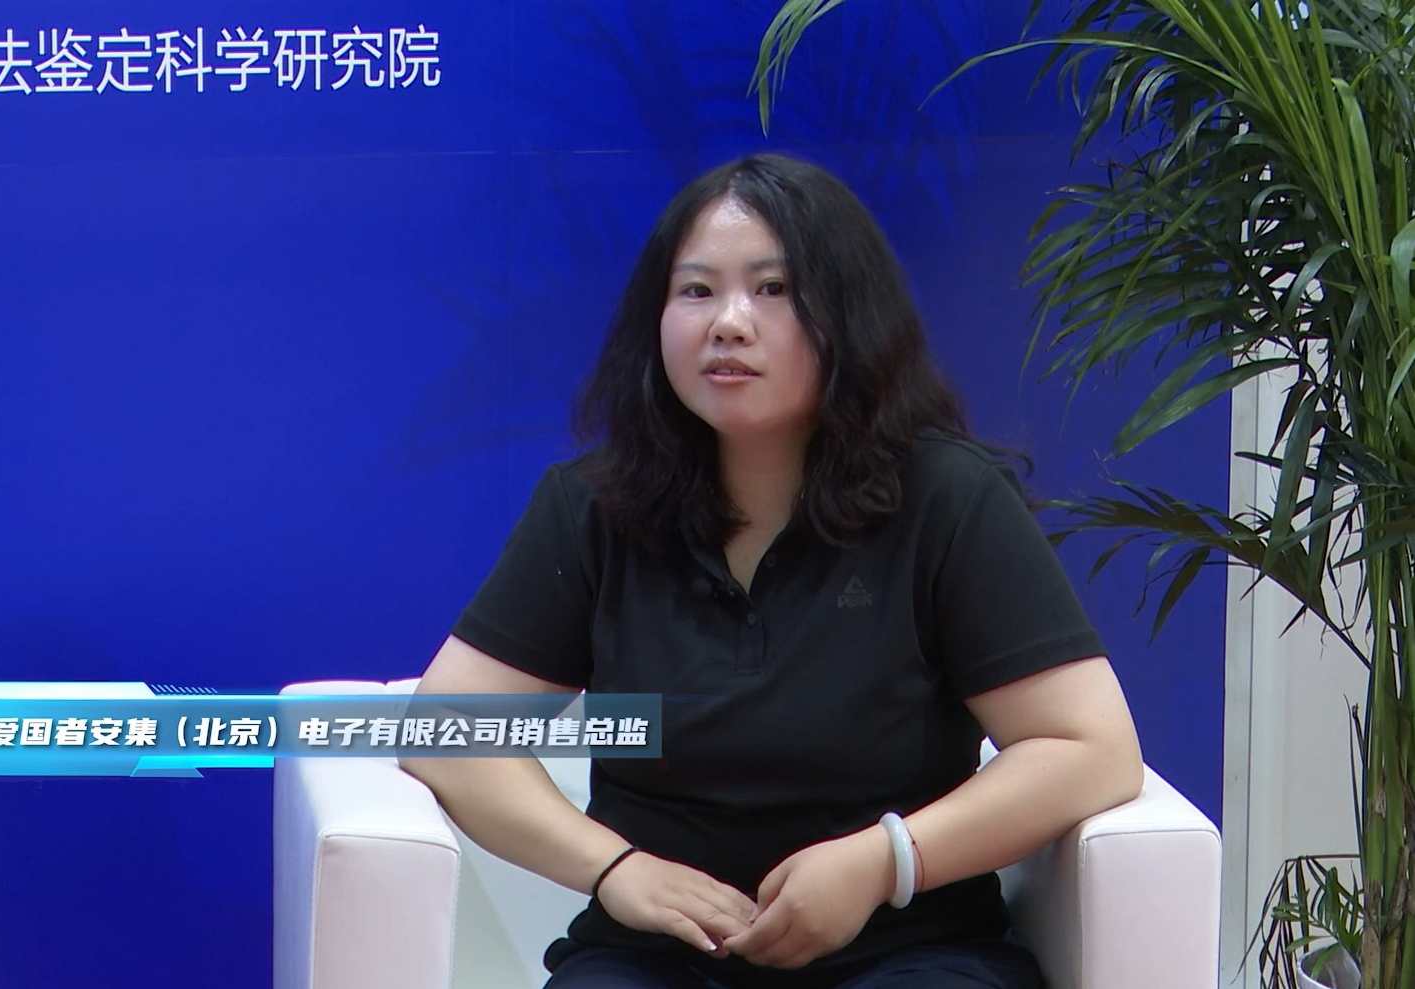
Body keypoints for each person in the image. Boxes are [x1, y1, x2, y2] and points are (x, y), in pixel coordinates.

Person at [399, 153, 1143, 989]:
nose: (728, 322)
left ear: (849, 314)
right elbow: (444, 730)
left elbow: (1091, 746)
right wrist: (615, 867)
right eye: (695, 290)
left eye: (773, 288)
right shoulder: (594, 509)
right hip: (657, 959)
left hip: (910, 949)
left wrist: (885, 860)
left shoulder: (946, 498)